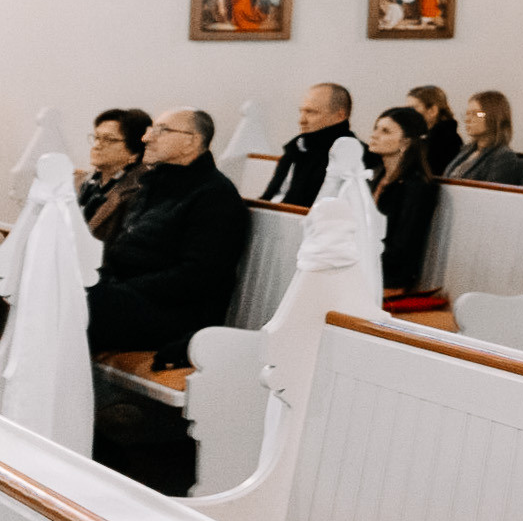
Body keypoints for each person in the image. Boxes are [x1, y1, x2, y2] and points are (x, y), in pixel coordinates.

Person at [86, 108, 251, 367]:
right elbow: (123, 254)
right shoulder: (154, 184)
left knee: (73, 304)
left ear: (191, 141)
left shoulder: (215, 196)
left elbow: (197, 276)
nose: (146, 138)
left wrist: (116, 291)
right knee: (56, 289)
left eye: (161, 130)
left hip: (175, 316)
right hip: (129, 300)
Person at [366, 106, 441, 294]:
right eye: (376, 128)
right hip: (365, 267)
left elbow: (403, 247)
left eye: (385, 131)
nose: (374, 135)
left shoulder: (417, 186)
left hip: (390, 279)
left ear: (406, 142)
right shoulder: (375, 176)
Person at [261, 81, 354, 206]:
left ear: (339, 116)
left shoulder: (350, 155)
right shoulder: (297, 148)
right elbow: (268, 198)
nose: (301, 120)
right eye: (302, 112)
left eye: (311, 112)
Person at [79, 109, 151, 243]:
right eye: (96, 137)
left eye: (108, 139)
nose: (97, 146)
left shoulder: (140, 190)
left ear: (134, 152)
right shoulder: (84, 183)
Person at [451, 91, 523, 186]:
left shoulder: (504, 158)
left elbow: (491, 197)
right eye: (467, 114)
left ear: (493, 116)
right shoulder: (467, 150)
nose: (468, 119)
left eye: (476, 114)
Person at [408, 85, 463, 175]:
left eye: (413, 108)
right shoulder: (426, 137)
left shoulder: (444, 140)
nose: (408, 114)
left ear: (432, 110)